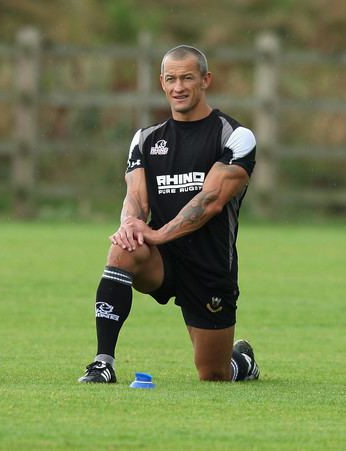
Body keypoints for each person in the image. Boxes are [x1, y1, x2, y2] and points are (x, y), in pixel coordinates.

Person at [78, 44, 259, 383]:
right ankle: (102, 363)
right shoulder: (146, 139)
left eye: (188, 78)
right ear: (162, 82)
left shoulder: (234, 136)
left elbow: (210, 201)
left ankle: (242, 362)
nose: (179, 87)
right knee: (122, 249)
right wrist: (130, 225)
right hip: (161, 259)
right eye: (172, 79)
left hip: (209, 265)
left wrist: (158, 233)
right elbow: (135, 197)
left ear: (205, 80)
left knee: (213, 374)